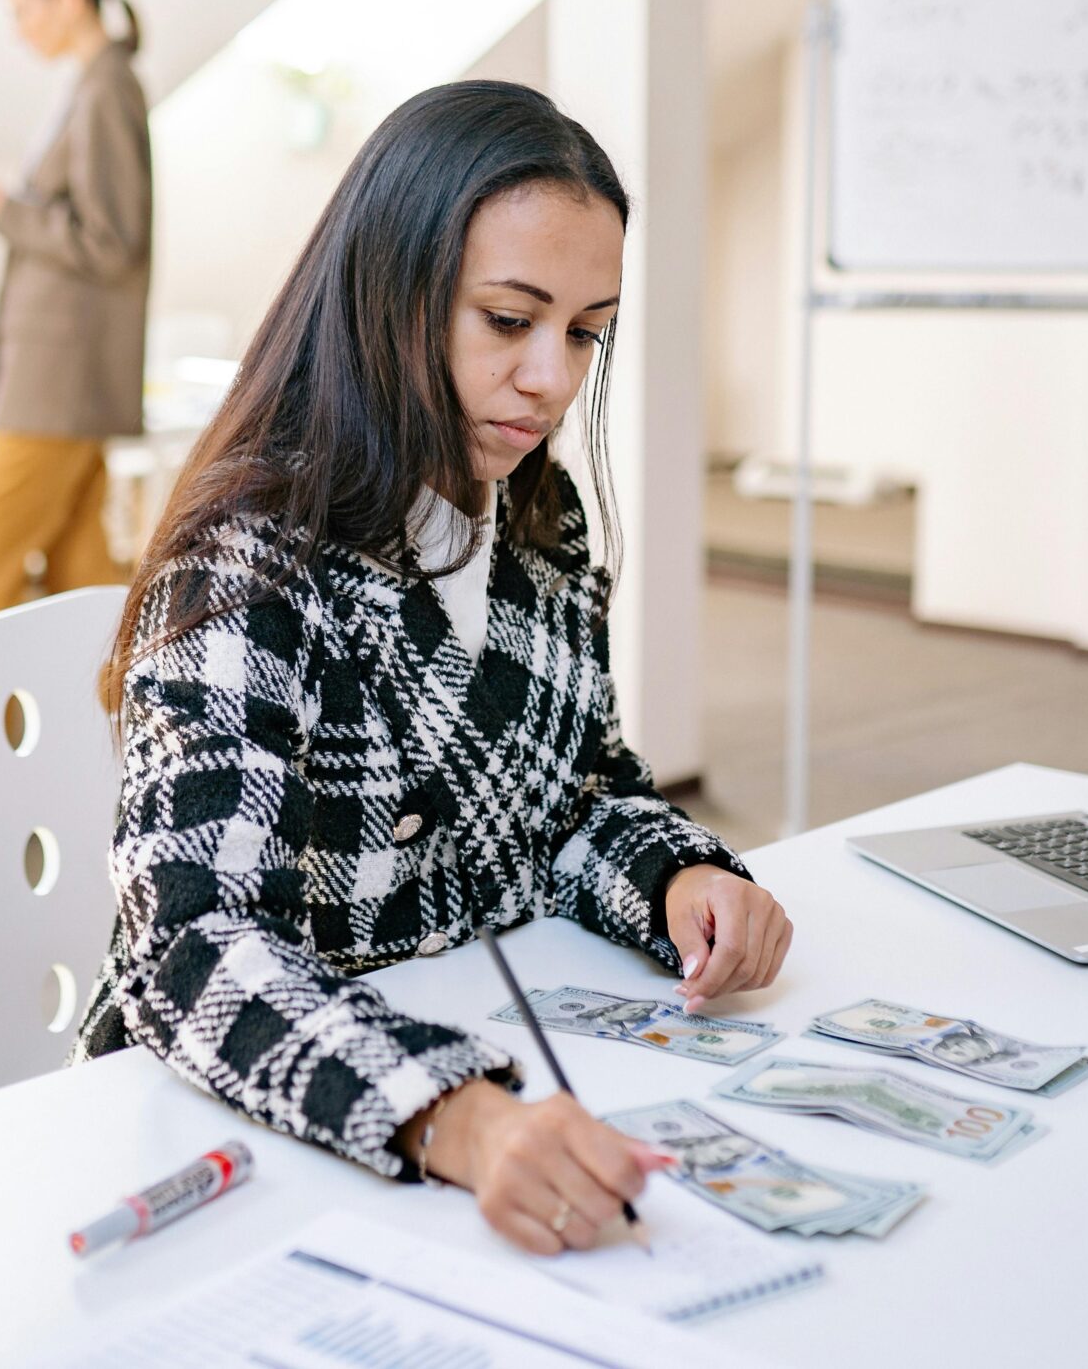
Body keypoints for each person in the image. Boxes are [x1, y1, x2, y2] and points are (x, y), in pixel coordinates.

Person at [69, 82, 793, 1256]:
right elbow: (191, 949)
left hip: (472, 1077)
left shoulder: (539, 526)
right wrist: (454, 1118)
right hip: (253, 1122)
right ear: (386, 298)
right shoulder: (247, 565)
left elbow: (578, 794)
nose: (551, 380)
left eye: (585, 331)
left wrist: (675, 882)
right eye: (508, 321)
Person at [0, 0, 152, 625]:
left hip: (58, 378)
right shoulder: (91, 84)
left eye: (23, 9)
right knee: (79, 567)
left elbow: (112, 240)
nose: (18, 29)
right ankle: (105, 728)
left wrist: (2, 206)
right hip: (58, 372)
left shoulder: (106, 87)